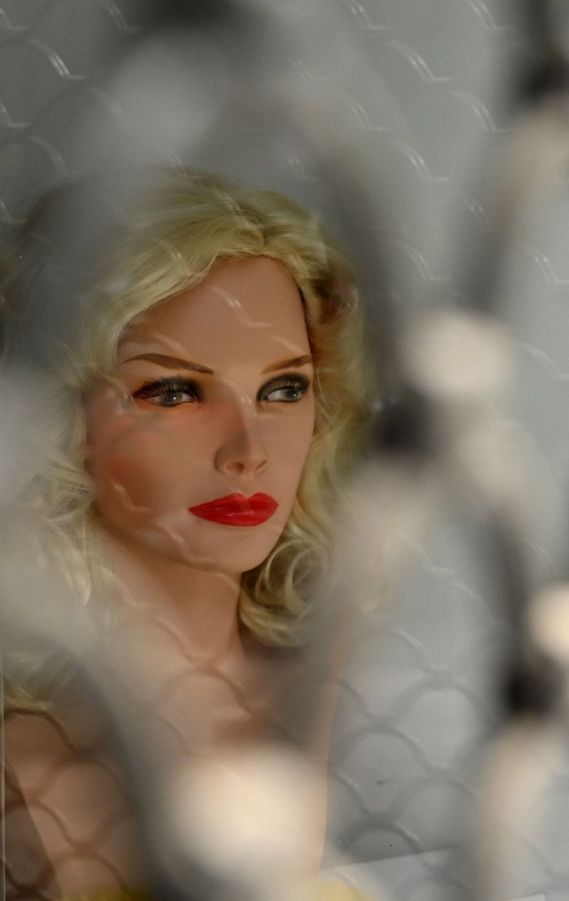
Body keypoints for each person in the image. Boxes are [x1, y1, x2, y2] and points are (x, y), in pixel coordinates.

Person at [1, 171, 370, 898]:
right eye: (174, 391)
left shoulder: (341, 682)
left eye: (284, 388)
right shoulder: (30, 750)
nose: (248, 449)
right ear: (59, 420)